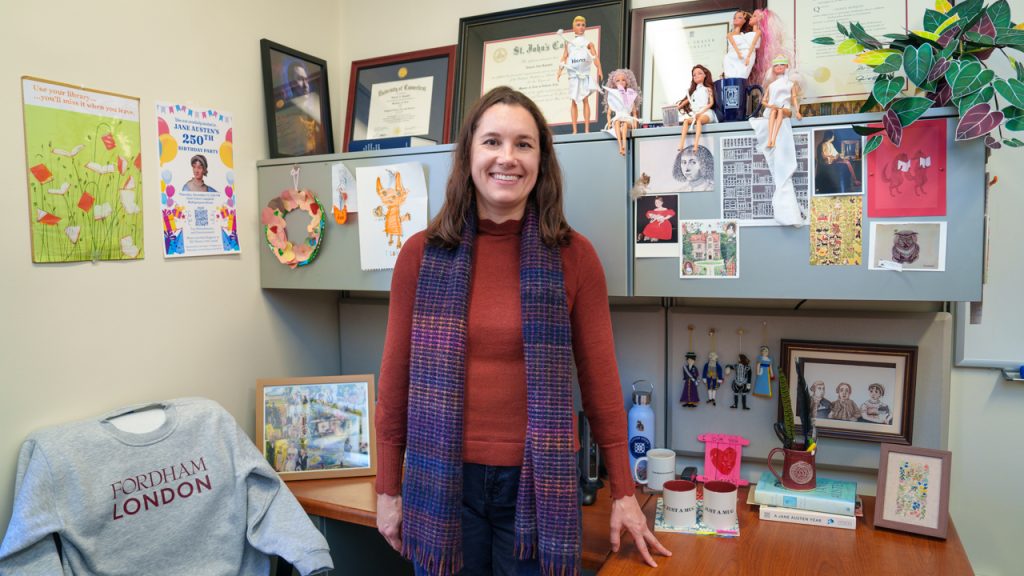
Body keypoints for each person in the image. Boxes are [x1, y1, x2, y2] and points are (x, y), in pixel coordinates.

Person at [374, 86, 669, 576]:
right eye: (492, 141)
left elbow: (599, 383)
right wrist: (388, 488)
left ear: (541, 160)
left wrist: (623, 491)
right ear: (469, 154)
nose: (507, 157)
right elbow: (394, 384)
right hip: (443, 483)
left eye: (523, 144)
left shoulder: (574, 256)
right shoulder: (420, 255)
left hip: (539, 486)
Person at [557, 15, 603, 134]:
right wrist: (559, 70)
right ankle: (575, 130)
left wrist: (599, 69)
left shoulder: (588, 43)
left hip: (584, 75)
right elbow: (564, 57)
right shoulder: (569, 43)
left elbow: (595, 57)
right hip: (573, 76)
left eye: (583, 25)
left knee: (585, 99)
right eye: (578, 25)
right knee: (574, 100)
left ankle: (587, 129)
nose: (581, 27)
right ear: (573, 28)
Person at [761, 55, 803, 149]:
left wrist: (797, 112)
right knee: (774, 111)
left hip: (786, 109)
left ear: (786, 66)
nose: (779, 67)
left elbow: (794, 98)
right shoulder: (771, 85)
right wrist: (771, 106)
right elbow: (763, 101)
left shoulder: (790, 84)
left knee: (779, 110)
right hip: (774, 109)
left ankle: (774, 140)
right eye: (776, 65)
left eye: (782, 64)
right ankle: (769, 139)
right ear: (773, 68)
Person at [677, 64, 716, 152]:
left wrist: (701, 112)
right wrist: (678, 107)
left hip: (706, 112)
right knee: (686, 121)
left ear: (705, 75)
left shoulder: (707, 89)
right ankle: (681, 144)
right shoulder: (694, 92)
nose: (696, 76)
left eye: (699, 73)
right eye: (694, 75)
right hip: (697, 113)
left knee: (698, 120)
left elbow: (711, 103)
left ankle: (695, 145)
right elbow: (687, 100)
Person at [603, 69, 640, 156]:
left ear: (627, 82)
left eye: (623, 80)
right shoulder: (614, 98)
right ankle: (620, 146)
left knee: (625, 125)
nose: (621, 82)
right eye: (618, 80)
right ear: (614, 83)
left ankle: (624, 145)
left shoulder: (630, 95)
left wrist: (635, 125)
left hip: (627, 119)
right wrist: (609, 123)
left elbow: (634, 113)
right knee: (616, 122)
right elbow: (609, 113)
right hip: (618, 118)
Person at [723, 10, 761, 79]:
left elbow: (753, 44)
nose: (736, 19)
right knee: (730, 76)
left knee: (741, 76)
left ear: (745, 21)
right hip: (732, 56)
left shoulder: (748, 35)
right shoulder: (730, 34)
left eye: (739, 17)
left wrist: (748, 57)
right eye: (734, 18)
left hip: (745, 56)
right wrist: (738, 53)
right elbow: (733, 44)